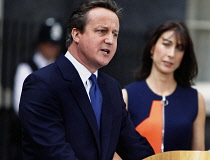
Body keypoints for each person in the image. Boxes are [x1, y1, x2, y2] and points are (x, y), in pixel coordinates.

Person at [18, 0, 155, 160]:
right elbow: (54, 152)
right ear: (76, 34)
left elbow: (133, 146)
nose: (110, 40)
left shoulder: (111, 88)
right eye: (102, 31)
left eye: (115, 34)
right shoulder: (42, 84)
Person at [122, 20, 206, 154]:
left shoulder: (195, 99)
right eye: (166, 44)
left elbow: (199, 153)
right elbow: (115, 151)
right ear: (152, 47)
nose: (171, 54)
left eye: (179, 48)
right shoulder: (126, 96)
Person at [13, 17, 63, 113]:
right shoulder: (25, 68)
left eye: (56, 45)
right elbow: (20, 106)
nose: (54, 49)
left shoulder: (60, 68)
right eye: (50, 45)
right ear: (40, 44)